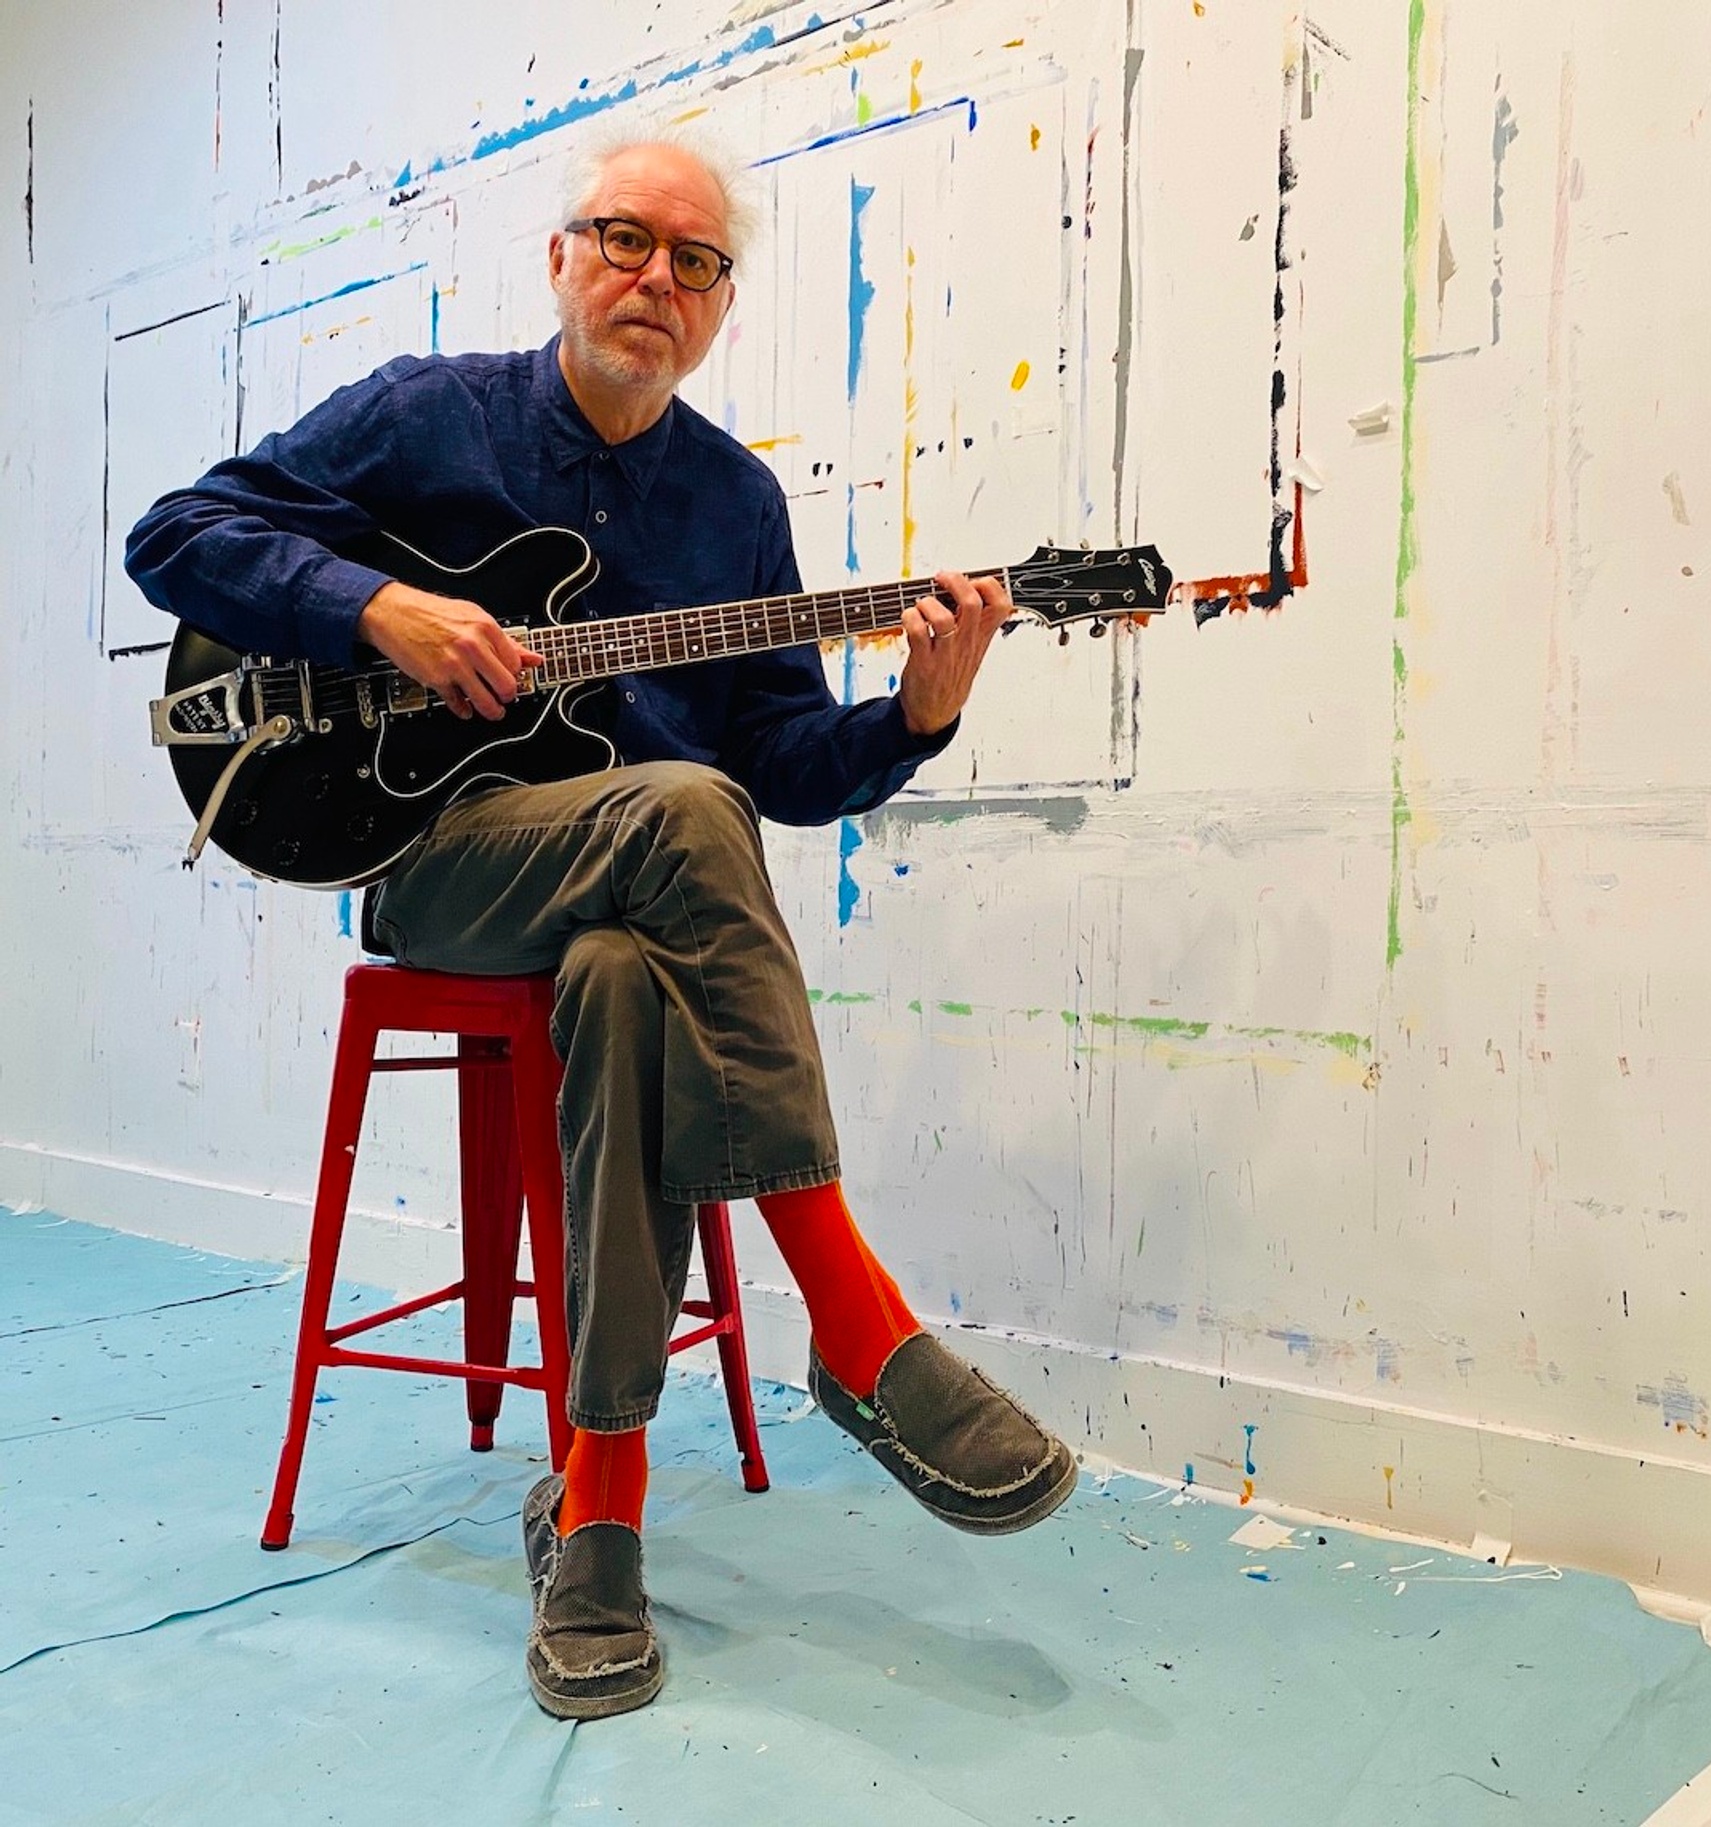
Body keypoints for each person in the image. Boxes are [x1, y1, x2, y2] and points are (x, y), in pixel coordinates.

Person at [125, 129, 1076, 1721]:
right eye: (625, 240)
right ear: (562, 259)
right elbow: (178, 534)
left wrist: (911, 715)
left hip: (629, 893)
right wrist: (380, 609)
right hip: (429, 855)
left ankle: (601, 1509)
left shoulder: (733, 503)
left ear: (717, 308)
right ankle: (854, 1319)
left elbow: (777, 761)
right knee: (682, 813)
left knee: (635, 963)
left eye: (694, 262)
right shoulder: (432, 415)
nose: (655, 277)